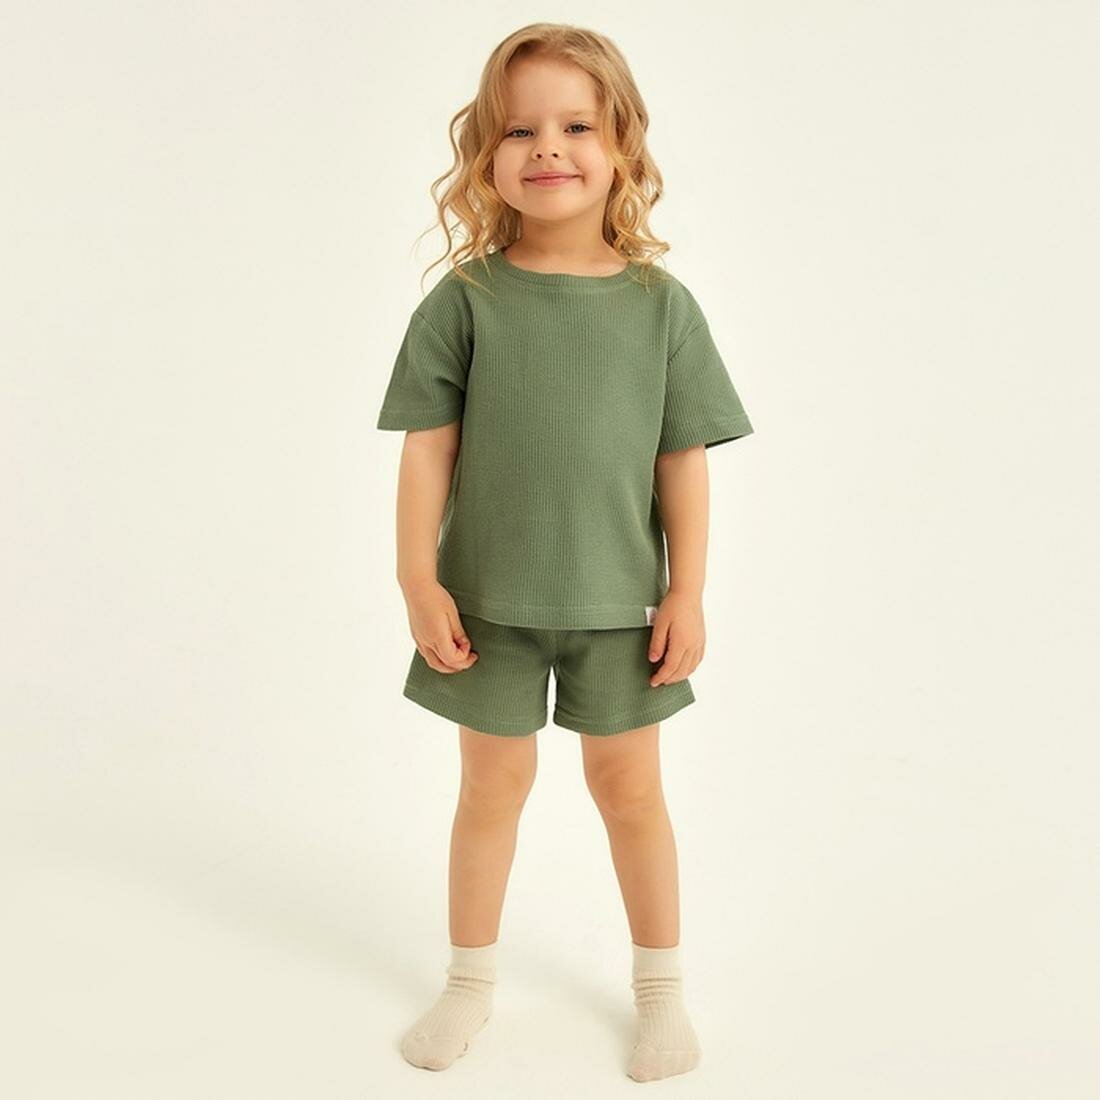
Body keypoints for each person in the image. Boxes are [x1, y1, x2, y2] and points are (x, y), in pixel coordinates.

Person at [375, 22, 754, 1083]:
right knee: (489, 790)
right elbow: (426, 451)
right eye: (519, 129)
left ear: (621, 144)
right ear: (485, 155)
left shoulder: (661, 307)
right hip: (483, 606)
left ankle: (661, 994)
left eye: (577, 125)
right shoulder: (466, 301)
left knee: (631, 792)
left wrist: (687, 590)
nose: (547, 146)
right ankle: (468, 983)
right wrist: (417, 579)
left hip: (622, 608)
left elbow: (682, 458)